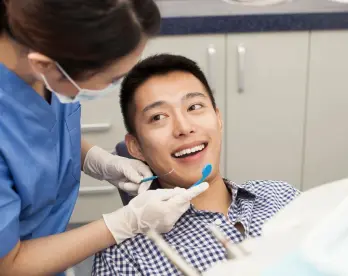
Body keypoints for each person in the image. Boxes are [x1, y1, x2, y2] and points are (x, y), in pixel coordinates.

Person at [0, 1, 208, 275]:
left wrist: (98, 161)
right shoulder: (125, 262)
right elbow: (8, 265)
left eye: (194, 107)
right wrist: (124, 223)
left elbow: (46, 133)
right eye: (112, 78)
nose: (184, 128)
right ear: (44, 65)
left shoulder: (46, 55)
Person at [92, 54, 300, 275]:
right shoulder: (125, 257)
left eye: (194, 107)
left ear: (218, 118)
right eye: (158, 117)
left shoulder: (283, 197)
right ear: (136, 147)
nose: (183, 127)